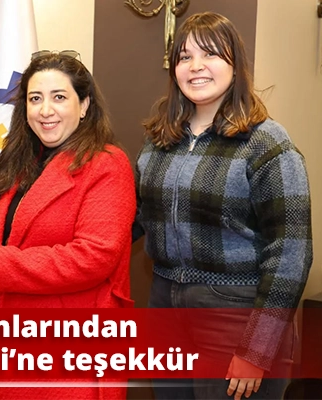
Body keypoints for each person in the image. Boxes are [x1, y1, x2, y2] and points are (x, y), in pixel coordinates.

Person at [133, 12, 312, 400]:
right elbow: (134, 217)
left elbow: (291, 253)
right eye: (185, 57)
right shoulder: (160, 140)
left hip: (235, 314)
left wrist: (257, 350)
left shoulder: (266, 143)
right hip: (164, 306)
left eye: (210, 54)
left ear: (235, 64)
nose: (196, 66)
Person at [0, 50, 136, 399]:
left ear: (84, 105)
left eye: (59, 97)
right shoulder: (25, 163)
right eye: (35, 99)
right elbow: (21, 241)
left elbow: (94, 256)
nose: (45, 110)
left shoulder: (107, 164)